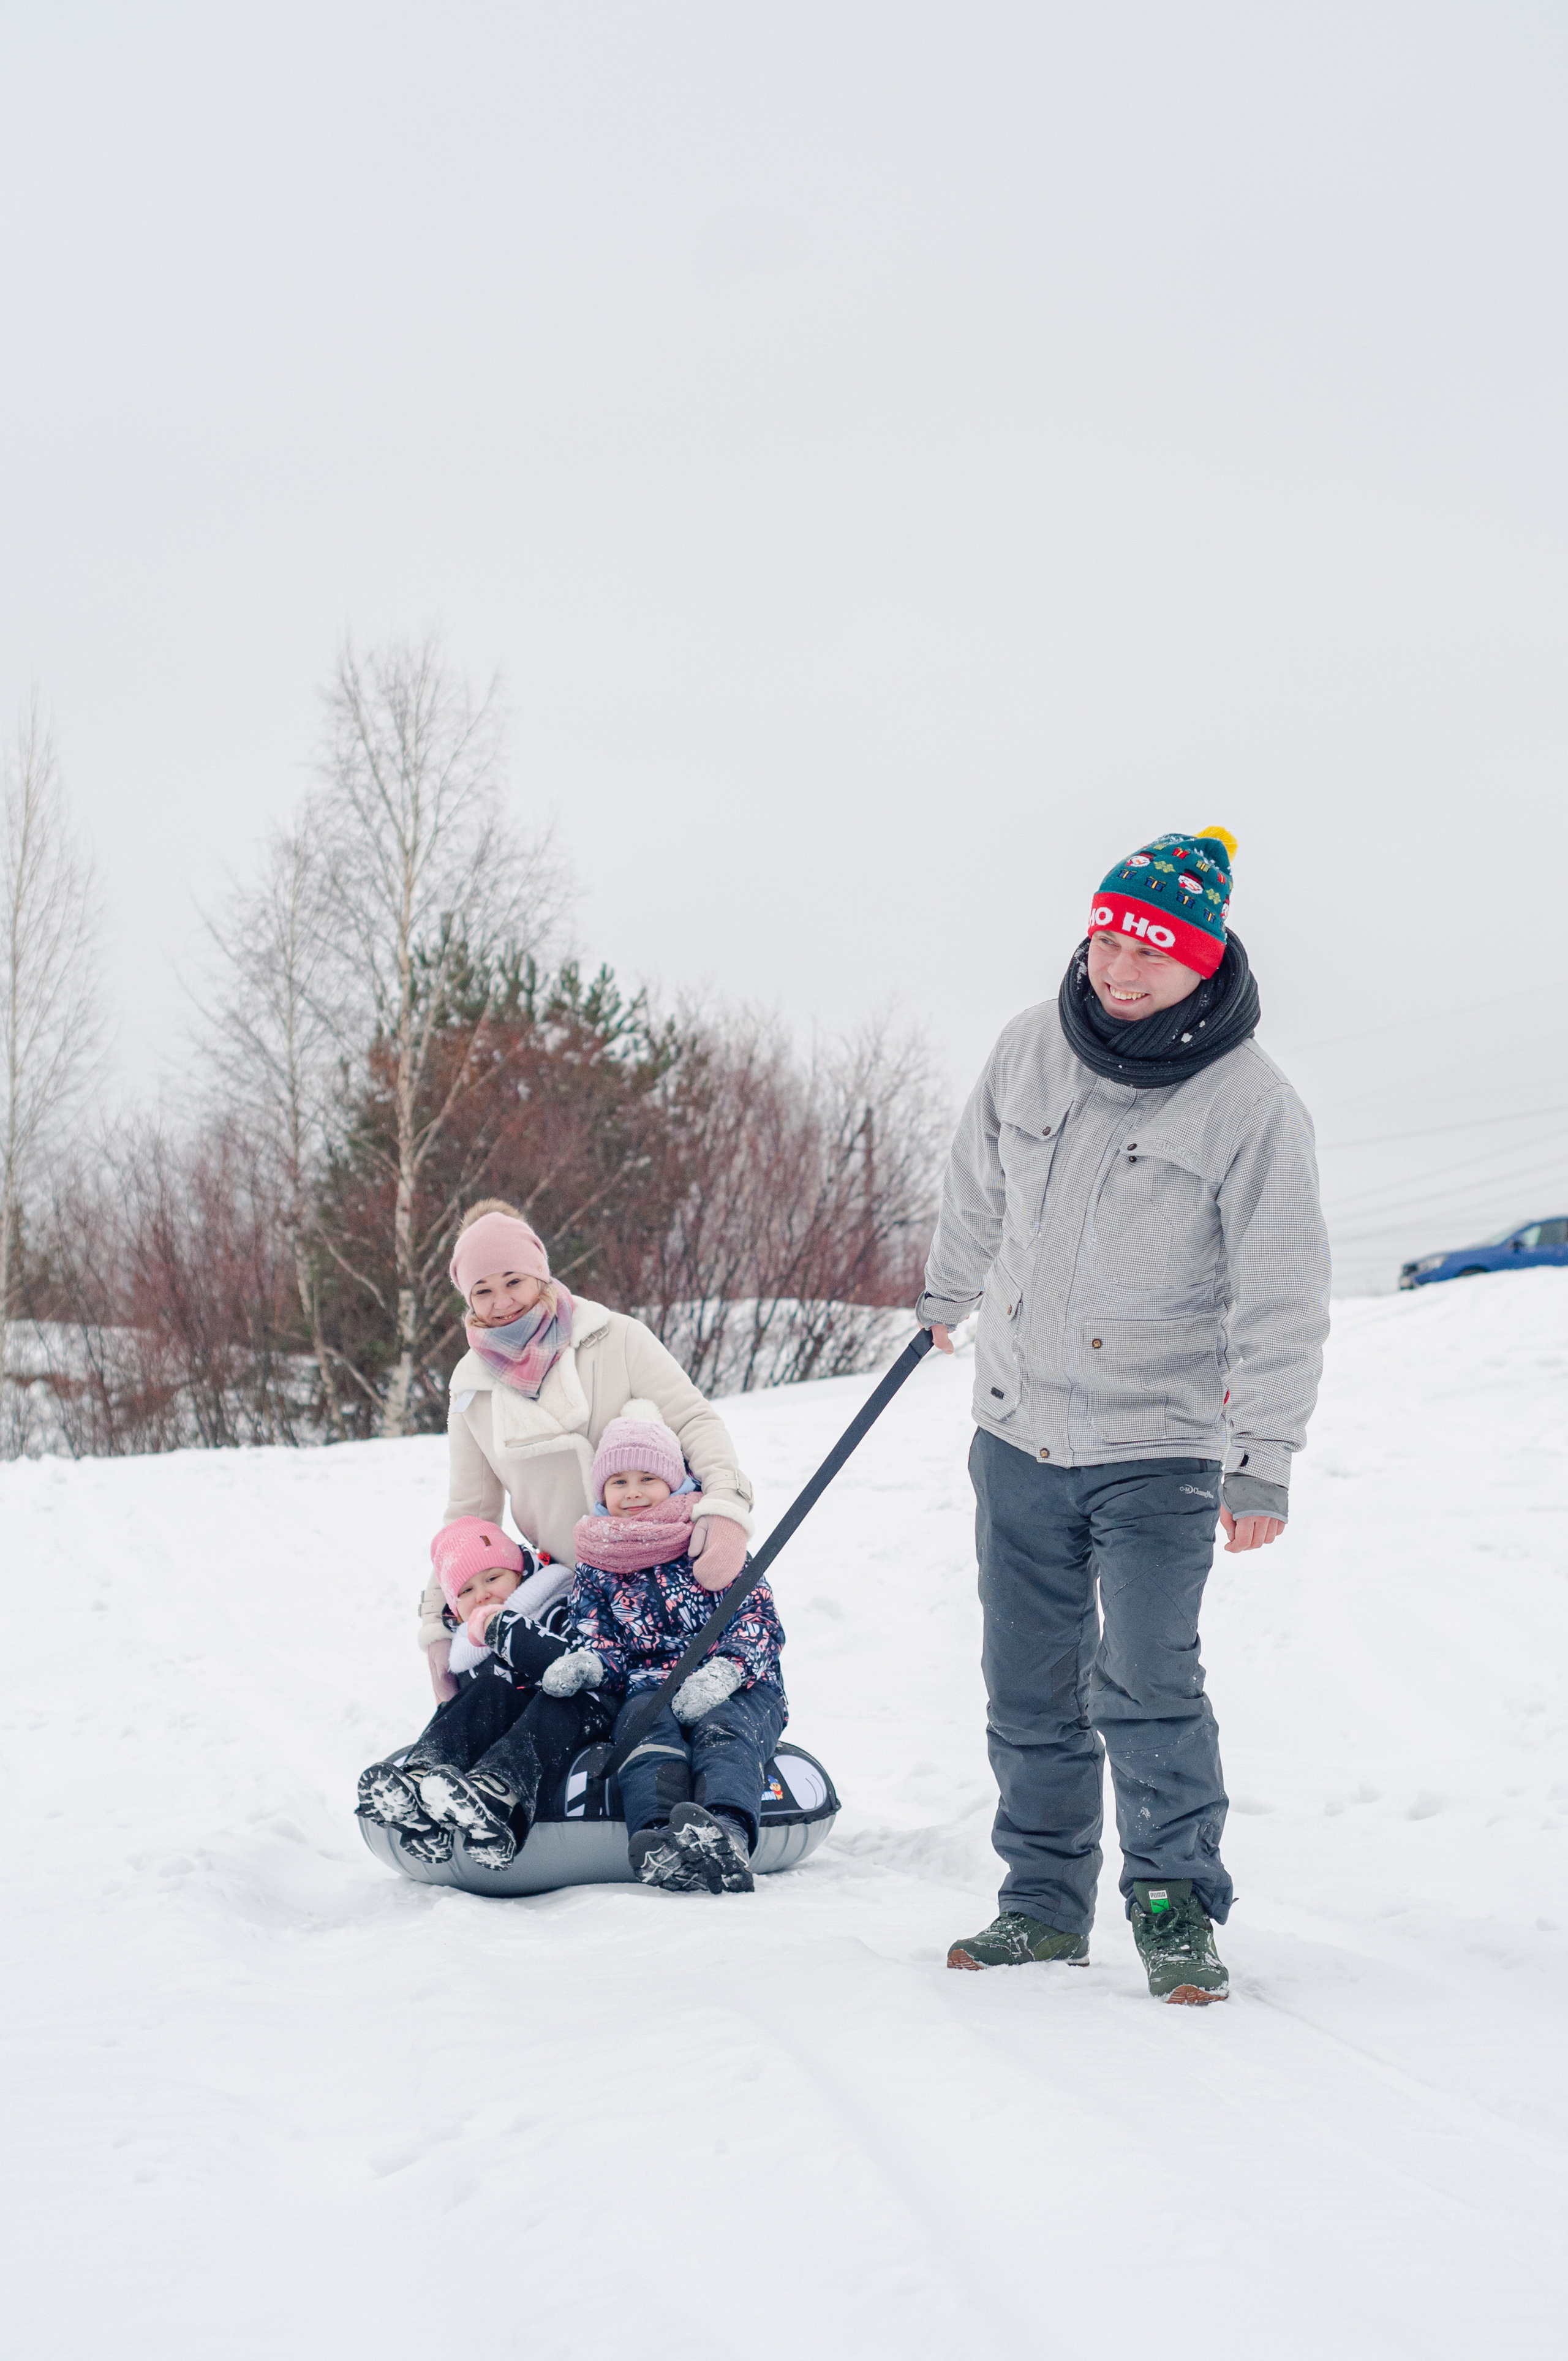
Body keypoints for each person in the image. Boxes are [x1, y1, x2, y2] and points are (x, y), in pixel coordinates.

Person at [920, 828, 1330, 2004]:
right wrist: (948, 1290)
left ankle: (1174, 1906)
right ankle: (1041, 1906)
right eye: (1106, 939)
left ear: (1204, 964)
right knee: (1029, 1684)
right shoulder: (1029, 1044)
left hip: (1159, 1442)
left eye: (1150, 953)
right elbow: (973, 1177)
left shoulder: (1253, 1103)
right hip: (1018, 1427)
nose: (1119, 968)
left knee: (1147, 1678)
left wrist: (1265, 1458)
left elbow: (1283, 1284)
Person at [417, 1201, 756, 1701]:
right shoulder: (472, 1388)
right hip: (580, 1601)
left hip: (671, 1575)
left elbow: (694, 1420)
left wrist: (727, 1507)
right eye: (482, 1291)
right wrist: (435, 1623)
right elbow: (469, 1515)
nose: (502, 1301)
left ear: (540, 1274)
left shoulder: (615, 1337)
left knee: (690, 1726)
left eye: (513, 1280)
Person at [541, 1402, 787, 1895]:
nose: (633, 1493)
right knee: (641, 1735)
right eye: (619, 1482)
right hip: (650, 1687)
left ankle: (727, 1831)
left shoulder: (707, 1536)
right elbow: (601, 1637)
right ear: (601, 1491)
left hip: (740, 1684)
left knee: (724, 1732)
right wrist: (589, 1663)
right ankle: (658, 1838)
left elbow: (761, 1619)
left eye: (647, 1478)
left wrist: (726, 1673)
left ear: (674, 1481)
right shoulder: (598, 1561)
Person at [358, 1516, 609, 1869]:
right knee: (485, 1692)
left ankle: (498, 1795)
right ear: (455, 1609)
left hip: (578, 1716)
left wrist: (504, 1630)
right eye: (466, 1591)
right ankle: (420, 1786)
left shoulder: (555, 1607)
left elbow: (573, 1668)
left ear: (521, 1574)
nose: (483, 1595)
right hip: (513, 1732)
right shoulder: (466, 1656)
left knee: (552, 1701)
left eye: (493, 1578)